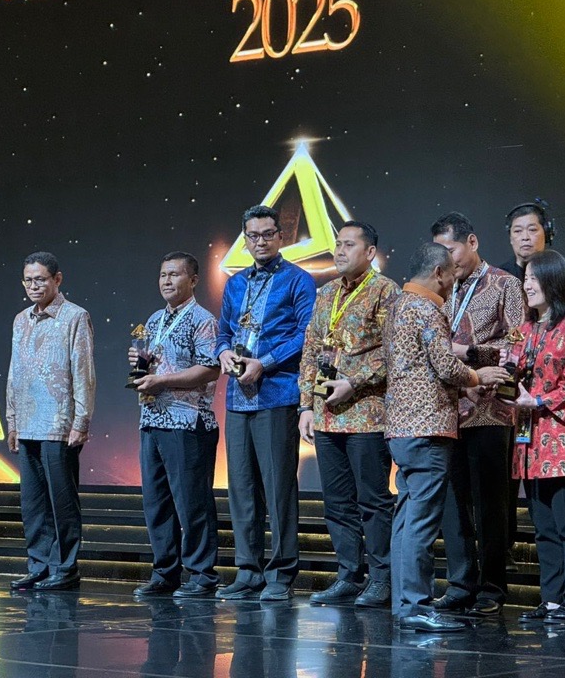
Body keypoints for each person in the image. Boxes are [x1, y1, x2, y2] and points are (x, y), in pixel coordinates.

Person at [383, 242, 510, 633]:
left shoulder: (397, 305)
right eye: (452, 276)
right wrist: (476, 376)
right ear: (438, 272)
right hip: (428, 428)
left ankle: (404, 604)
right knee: (421, 522)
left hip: (400, 428)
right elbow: (445, 365)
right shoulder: (427, 309)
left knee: (406, 517)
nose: (454, 283)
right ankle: (416, 606)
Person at [216, 205, 316, 601]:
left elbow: (307, 334)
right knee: (241, 488)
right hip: (238, 397)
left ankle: (281, 573)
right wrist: (224, 352)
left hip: (277, 394)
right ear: (245, 239)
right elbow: (224, 332)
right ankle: (248, 571)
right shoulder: (235, 284)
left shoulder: (298, 280)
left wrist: (266, 362)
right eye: (253, 236)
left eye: (268, 234)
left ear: (280, 237)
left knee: (278, 489)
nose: (260, 241)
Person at [298, 221, 400, 608]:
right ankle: (348, 575)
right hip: (327, 415)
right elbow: (311, 350)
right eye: (337, 244)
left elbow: (392, 351)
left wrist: (353, 382)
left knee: (373, 500)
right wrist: (306, 405)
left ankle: (382, 578)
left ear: (370, 252)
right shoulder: (325, 293)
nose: (340, 251)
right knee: (337, 501)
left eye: (349, 245)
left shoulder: (385, 291)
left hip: (367, 414)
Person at [501, 200, 565, 577]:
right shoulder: (505, 282)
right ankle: (543, 584)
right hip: (524, 419)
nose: (525, 237)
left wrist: (555, 396)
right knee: (536, 511)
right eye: (517, 231)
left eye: (532, 229)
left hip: (561, 418)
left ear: (547, 233)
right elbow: (510, 347)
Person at [429, 212, 524, 617]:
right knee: (453, 503)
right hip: (447, 409)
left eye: (450, 250)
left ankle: (492, 586)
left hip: (490, 408)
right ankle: (460, 583)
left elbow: (518, 345)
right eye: (439, 253)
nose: (446, 260)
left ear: (472, 241)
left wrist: (468, 352)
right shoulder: (439, 288)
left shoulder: (505, 284)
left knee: (490, 504)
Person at [130, 252, 222, 599]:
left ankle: (202, 574)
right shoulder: (154, 320)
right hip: (152, 418)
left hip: (188, 422)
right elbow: (158, 364)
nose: (166, 281)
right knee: (157, 502)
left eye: (174, 274)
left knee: (192, 502)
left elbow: (210, 368)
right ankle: (165, 573)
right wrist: (142, 364)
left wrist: (163, 380)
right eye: (163, 274)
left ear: (193, 280)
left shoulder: (203, 320)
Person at [6, 251, 95, 591]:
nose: (33, 286)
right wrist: (12, 421)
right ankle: (40, 565)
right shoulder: (21, 320)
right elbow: (14, 373)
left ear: (57, 280)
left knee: (61, 501)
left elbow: (83, 372)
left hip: (59, 424)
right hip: (27, 421)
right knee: (33, 503)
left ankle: (65, 567)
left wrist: (81, 420)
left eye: (40, 279)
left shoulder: (75, 316)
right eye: (28, 280)